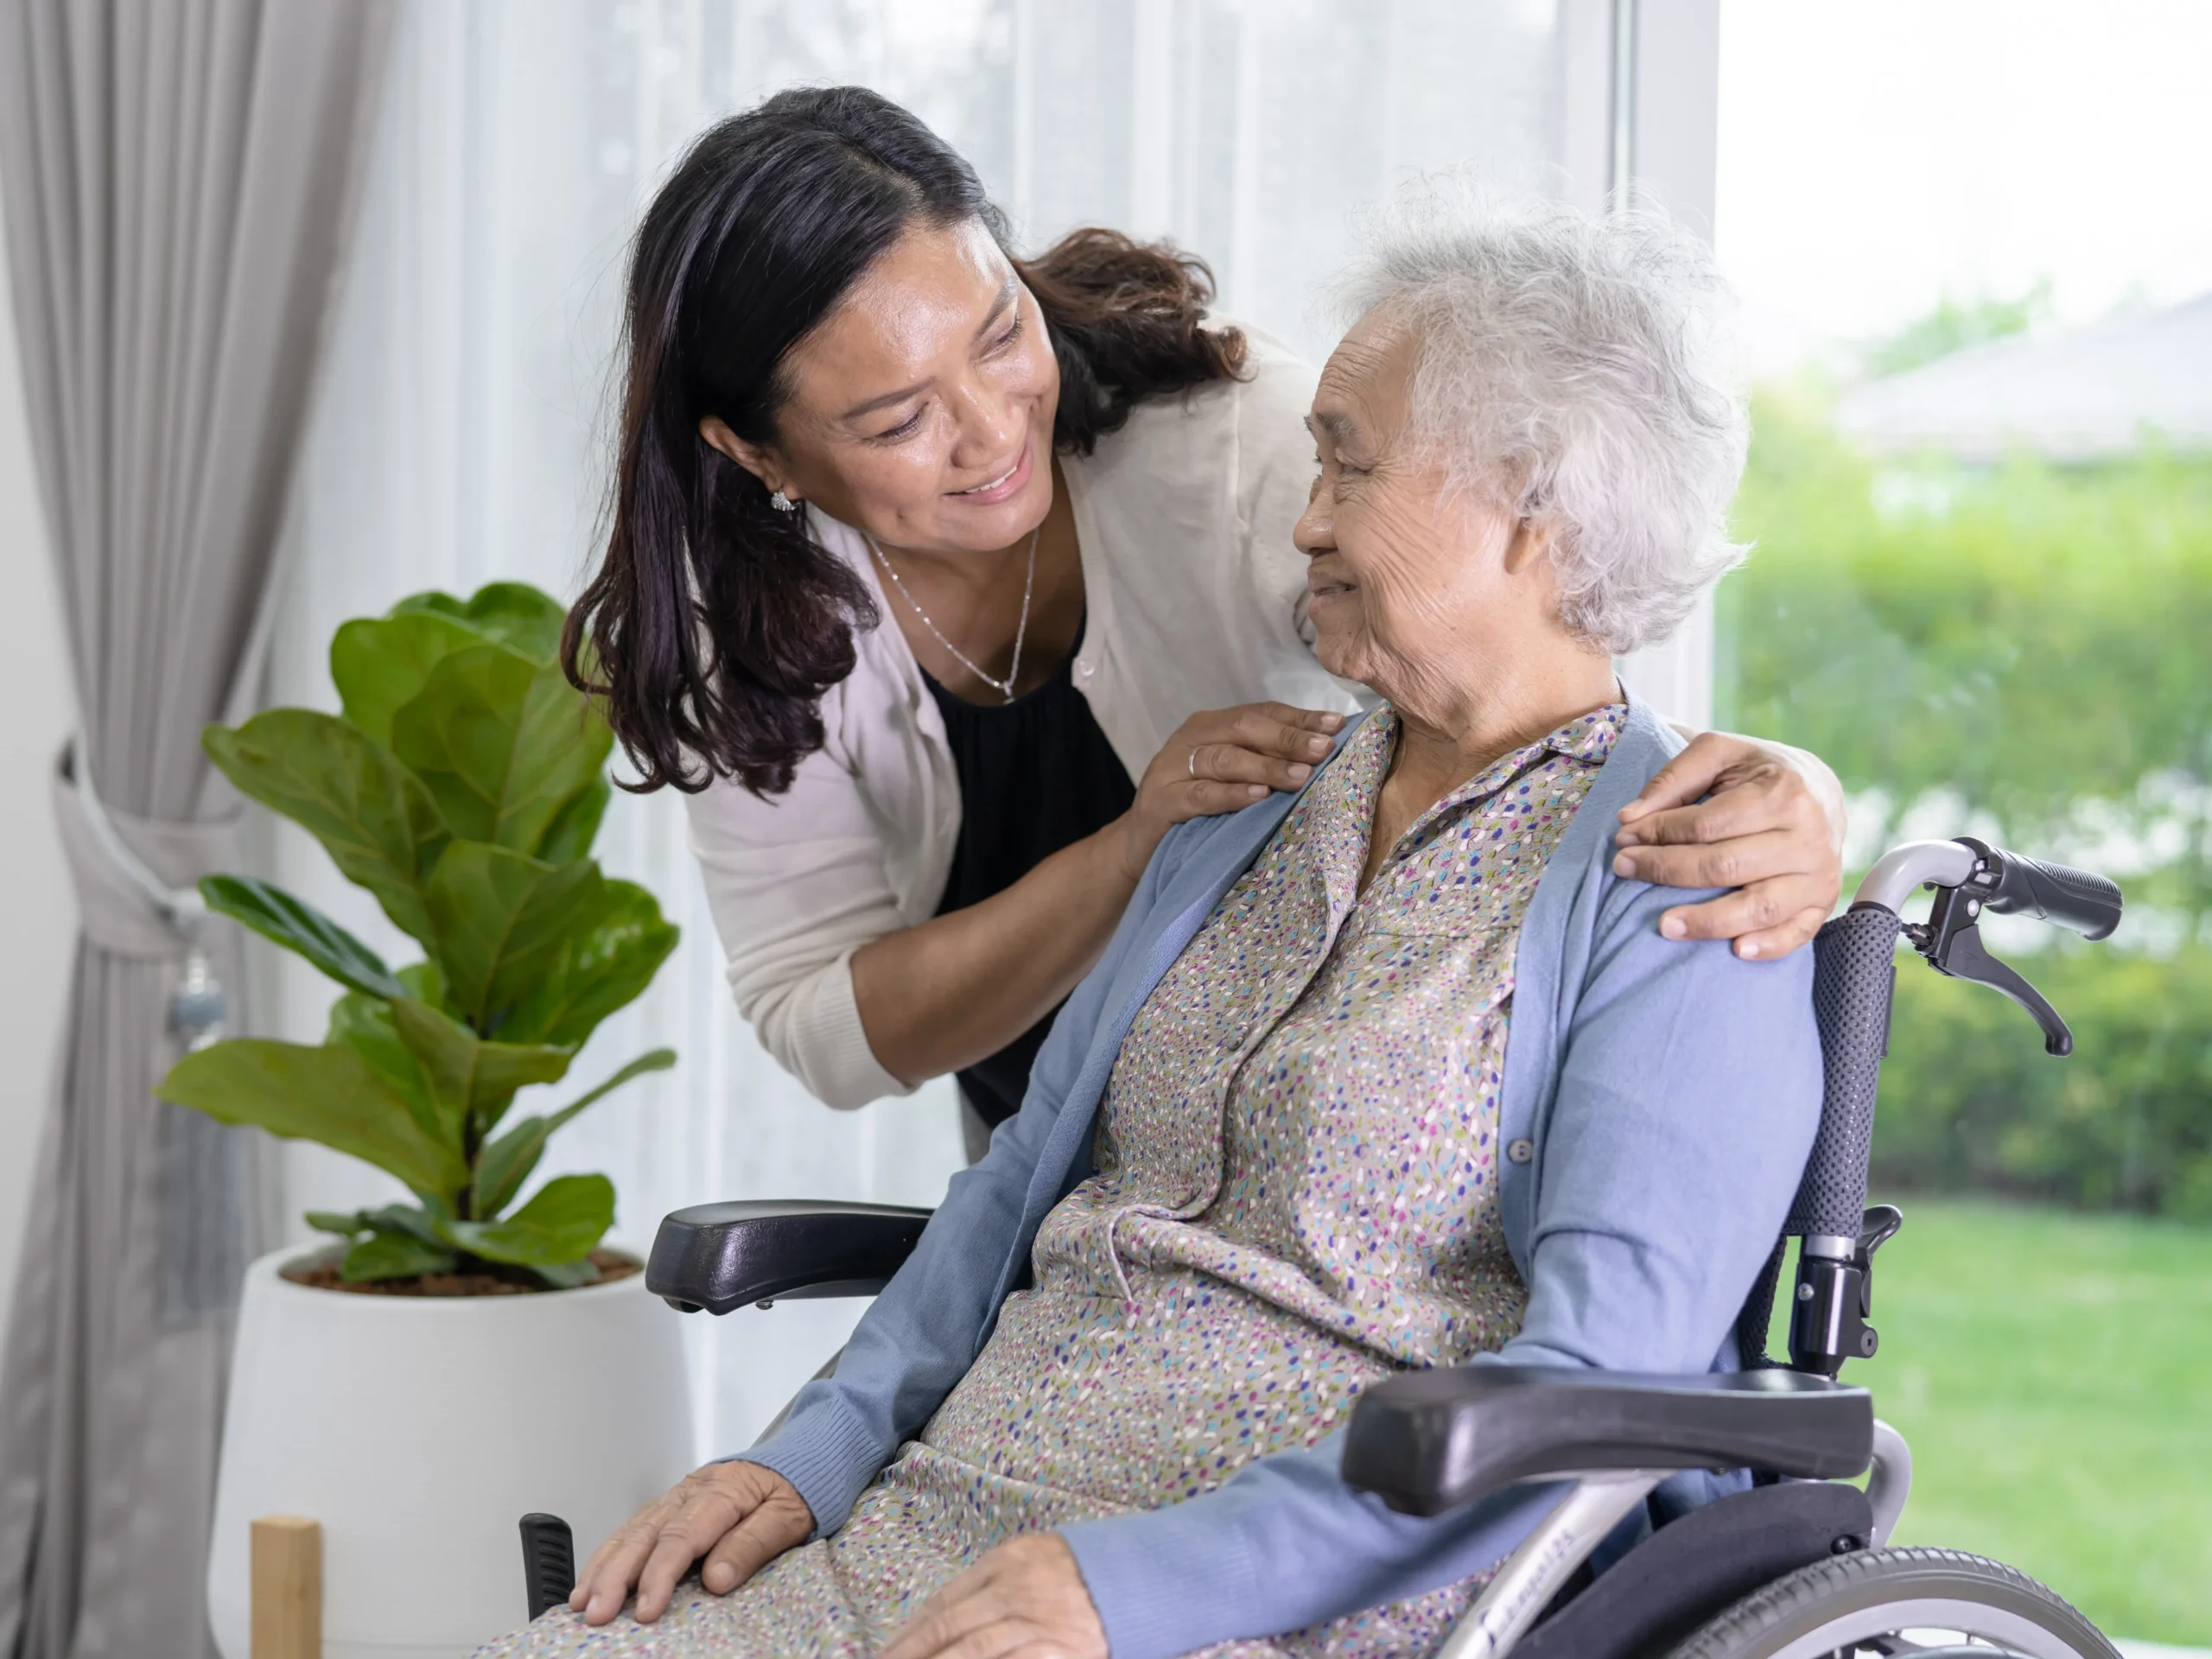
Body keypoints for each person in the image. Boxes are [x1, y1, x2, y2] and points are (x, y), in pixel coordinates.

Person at [484, 183, 1824, 1659]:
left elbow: (1597, 1377)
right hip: (954, 1523)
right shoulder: (1243, 806)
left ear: (1536, 509)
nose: (1304, 516)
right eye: (1315, 461)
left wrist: (1140, 1590)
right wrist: (800, 1459)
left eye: (1349, 468)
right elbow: (1007, 1197)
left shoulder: (1683, 889)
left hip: (1297, 1589)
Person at [563, 86, 1846, 1154]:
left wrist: (1792, 792)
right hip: (1070, 1183)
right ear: (757, 453)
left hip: (1315, 1153)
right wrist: (1135, 852)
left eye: (1001, 331)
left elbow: (1557, 654)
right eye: (899, 421)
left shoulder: (1241, 450)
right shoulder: (744, 624)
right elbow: (827, 1028)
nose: (995, 427)